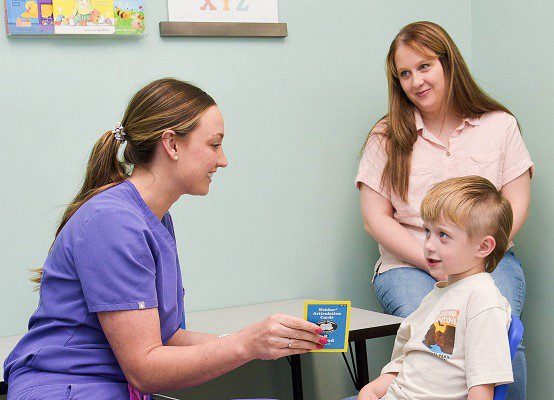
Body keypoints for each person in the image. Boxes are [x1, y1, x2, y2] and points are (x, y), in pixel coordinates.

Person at [3, 78, 327, 400]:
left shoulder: (154, 217)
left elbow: (166, 338)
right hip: (67, 389)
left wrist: (257, 340)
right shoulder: (112, 222)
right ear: (171, 144)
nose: (223, 160)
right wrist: (245, 344)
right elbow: (144, 369)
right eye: (214, 144)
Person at [355, 21, 533, 399]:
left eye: (424, 67)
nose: (415, 81)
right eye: (404, 73)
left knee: (502, 337)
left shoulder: (500, 125)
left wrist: (475, 256)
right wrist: (435, 257)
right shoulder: (386, 137)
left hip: (486, 259)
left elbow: (516, 202)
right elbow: (375, 218)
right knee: (435, 345)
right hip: (409, 262)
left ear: (449, 63)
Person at [358, 175, 514, 400]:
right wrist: (371, 390)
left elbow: (482, 387)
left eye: (443, 235)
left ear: (483, 246)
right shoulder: (438, 294)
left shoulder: (483, 299)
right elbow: (410, 361)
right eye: (428, 232)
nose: (429, 245)